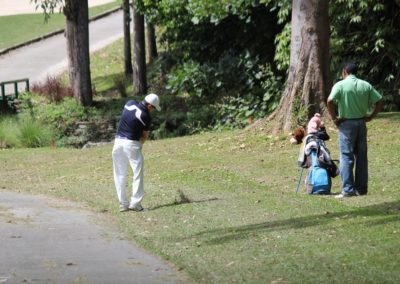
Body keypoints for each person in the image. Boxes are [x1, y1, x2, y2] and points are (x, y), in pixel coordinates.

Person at [327, 62, 383, 198]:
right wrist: (371, 116)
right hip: (361, 123)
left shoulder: (340, 85)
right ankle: (361, 189)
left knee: (346, 156)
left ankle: (347, 189)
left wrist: (335, 118)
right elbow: (380, 101)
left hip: (346, 124)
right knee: (362, 157)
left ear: (345, 71)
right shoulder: (365, 85)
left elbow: (329, 101)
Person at [112, 93, 161, 212]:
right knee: (137, 173)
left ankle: (123, 204)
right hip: (131, 143)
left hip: (118, 142)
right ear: (149, 105)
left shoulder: (129, 103)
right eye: (153, 108)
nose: (153, 110)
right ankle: (135, 204)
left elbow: (128, 118)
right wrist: (139, 145)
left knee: (119, 173)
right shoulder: (146, 116)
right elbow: (144, 136)